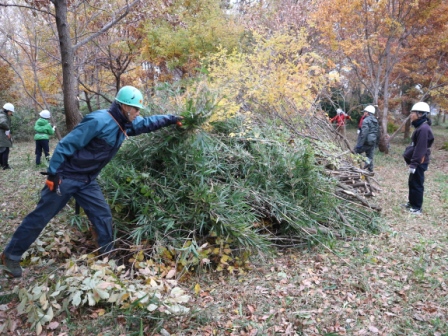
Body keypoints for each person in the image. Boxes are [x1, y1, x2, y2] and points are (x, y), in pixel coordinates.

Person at [1, 86, 183, 278]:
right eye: (135, 109)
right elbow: (66, 144)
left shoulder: (124, 123)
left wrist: (171, 119)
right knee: (40, 217)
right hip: (66, 177)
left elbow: (146, 123)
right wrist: (53, 173)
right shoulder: (99, 120)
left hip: (87, 180)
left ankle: (108, 256)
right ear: (124, 107)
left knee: (102, 216)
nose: (138, 113)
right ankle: (11, 255)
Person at [402, 102, 434, 215]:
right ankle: (411, 202)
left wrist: (414, 164)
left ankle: (417, 207)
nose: (411, 114)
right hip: (416, 161)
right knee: (412, 182)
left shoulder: (424, 129)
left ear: (420, 114)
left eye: (413, 112)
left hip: (420, 161)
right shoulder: (420, 126)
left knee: (417, 184)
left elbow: (420, 148)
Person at [354, 105, 379, 172]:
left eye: (364, 112)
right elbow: (378, 132)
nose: (364, 113)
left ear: (367, 113)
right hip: (373, 141)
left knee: (355, 151)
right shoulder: (376, 121)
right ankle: (370, 171)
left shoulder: (365, 121)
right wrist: (376, 143)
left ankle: (366, 161)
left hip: (366, 141)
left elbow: (364, 134)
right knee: (370, 157)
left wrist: (359, 144)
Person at [0, 103, 14, 170]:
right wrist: (7, 129)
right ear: (7, 111)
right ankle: (5, 165)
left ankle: (1, 164)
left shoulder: (2, 115)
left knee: (2, 150)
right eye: (11, 111)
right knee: (5, 150)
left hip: (1, 135)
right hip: (2, 135)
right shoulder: (3, 116)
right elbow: (2, 123)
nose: (11, 113)